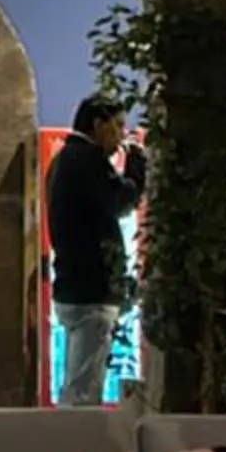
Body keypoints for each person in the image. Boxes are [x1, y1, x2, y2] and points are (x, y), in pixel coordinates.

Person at [45, 93, 147, 406]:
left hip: (72, 285)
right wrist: (135, 168)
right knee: (84, 389)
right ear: (97, 124)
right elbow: (122, 200)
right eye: (116, 126)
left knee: (77, 379)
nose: (120, 137)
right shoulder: (87, 160)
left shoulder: (64, 160)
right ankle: (76, 447)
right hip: (91, 291)